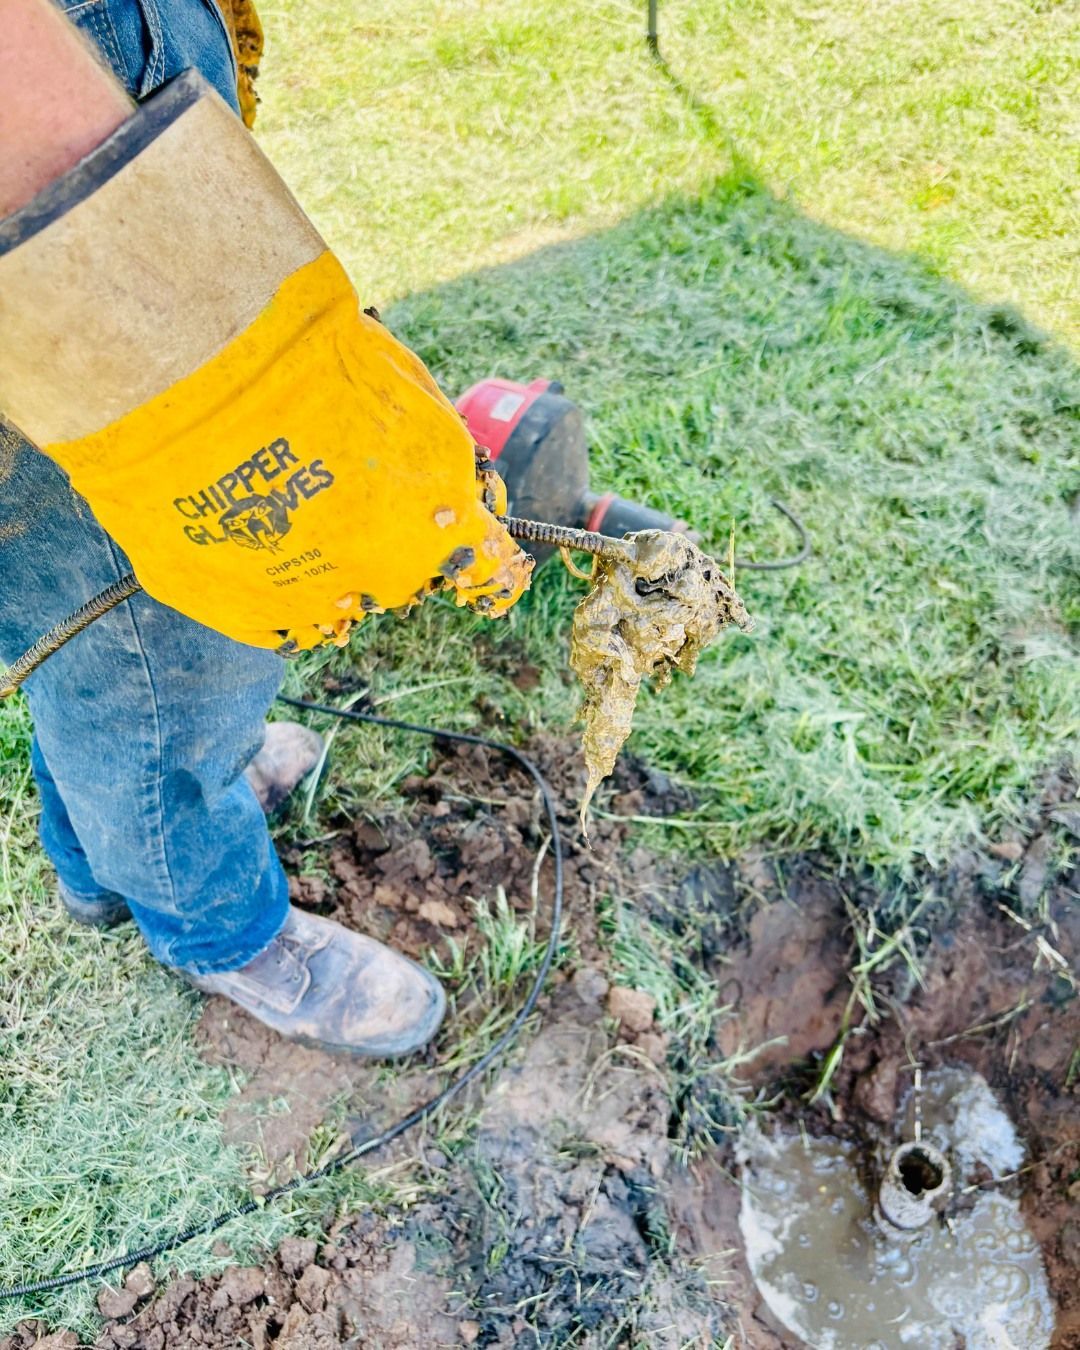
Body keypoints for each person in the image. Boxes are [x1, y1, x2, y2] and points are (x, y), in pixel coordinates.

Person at [0, 0, 531, 1056]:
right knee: (158, 649)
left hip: (95, 83)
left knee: (93, 632)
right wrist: (225, 403)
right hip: (52, 170)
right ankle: (218, 925)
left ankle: (105, 860)